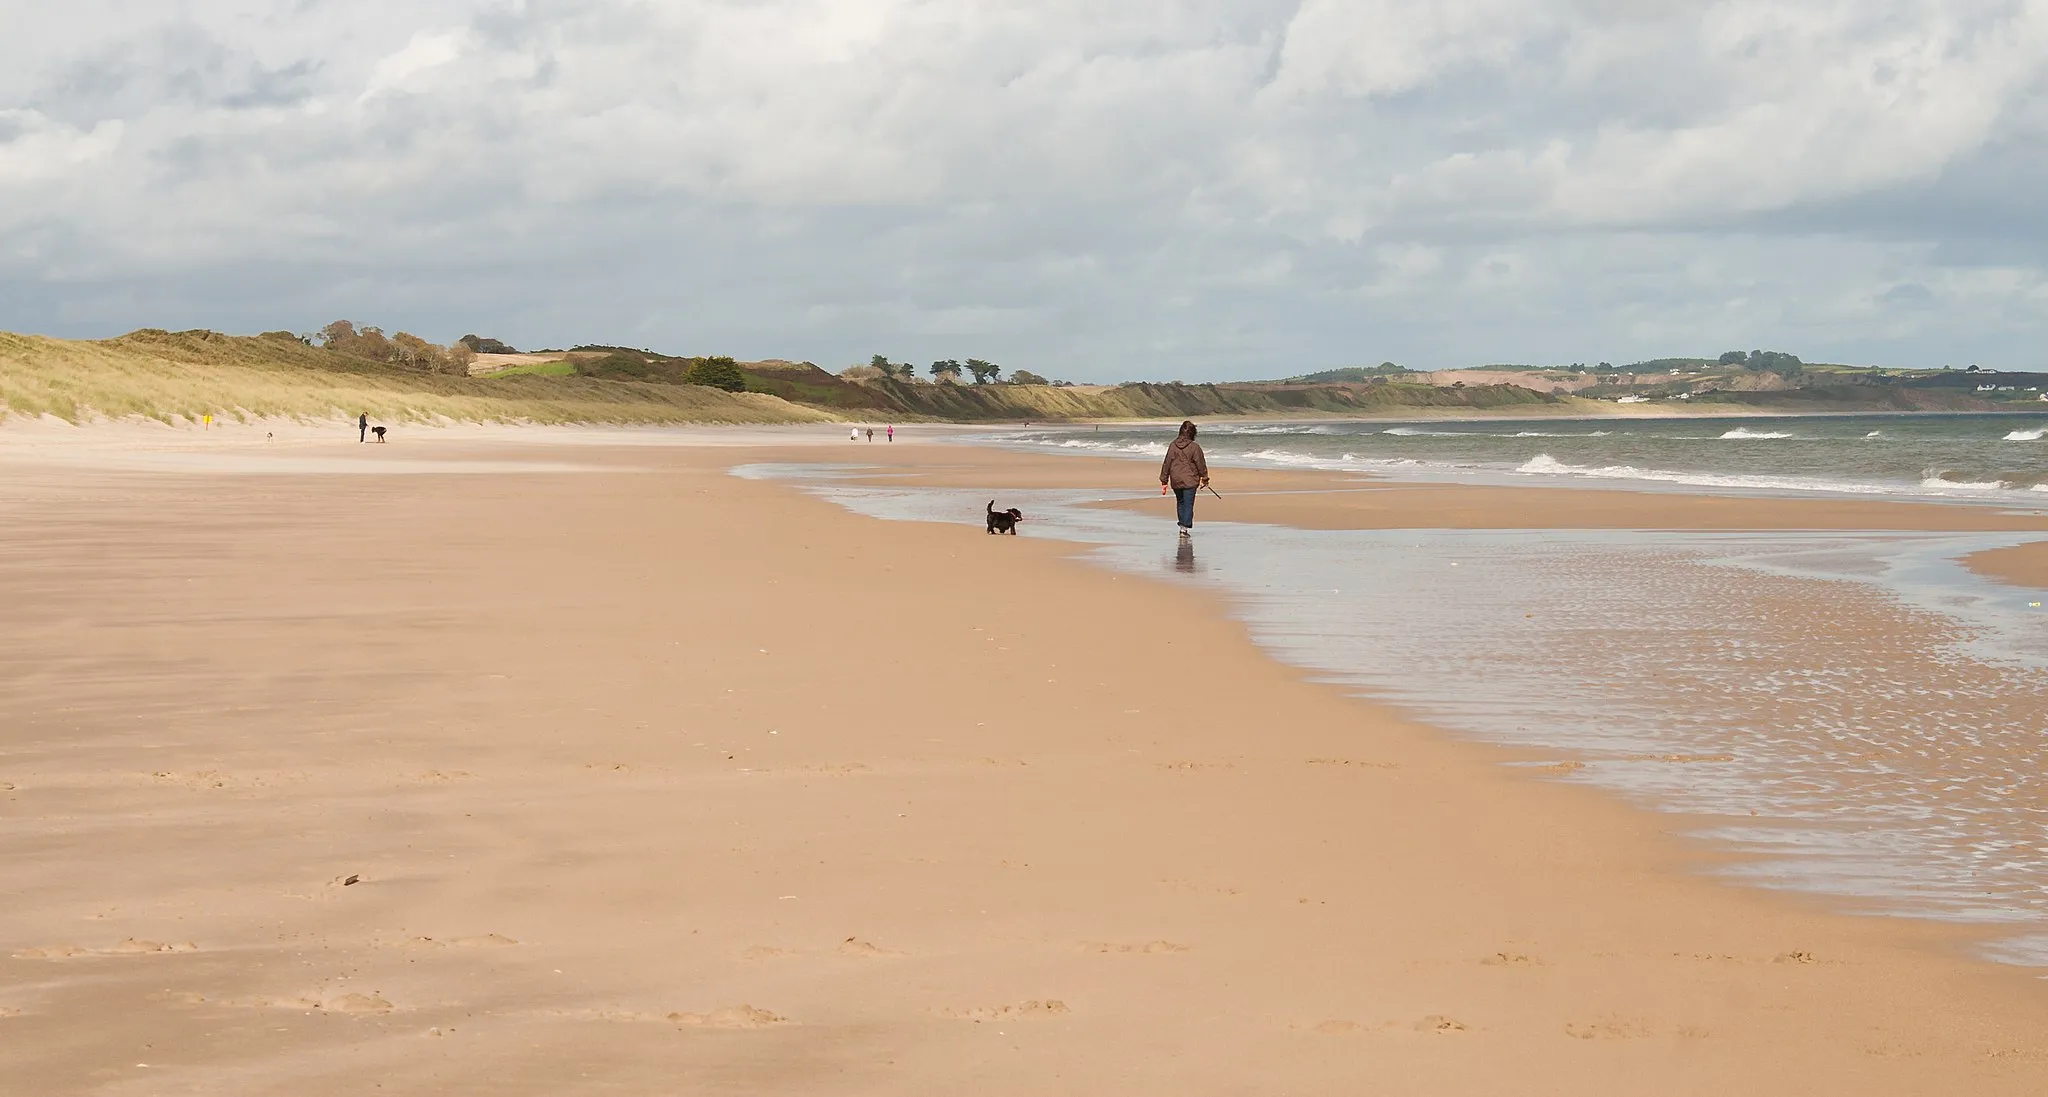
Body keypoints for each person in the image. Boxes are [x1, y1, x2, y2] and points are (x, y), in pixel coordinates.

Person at [1158, 420, 1209, 537]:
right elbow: (1201, 464)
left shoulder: (1172, 445)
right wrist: (1205, 478)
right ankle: (1184, 528)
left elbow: (1167, 463)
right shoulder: (1194, 447)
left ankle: (1182, 526)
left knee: (1181, 502)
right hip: (1190, 480)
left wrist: (1164, 480)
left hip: (1176, 479)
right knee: (1188, 504)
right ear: (1192, 433)